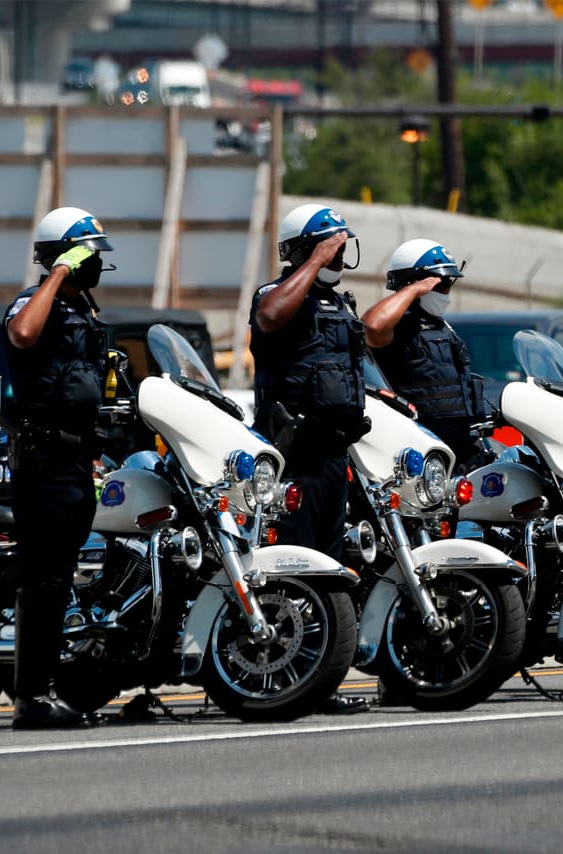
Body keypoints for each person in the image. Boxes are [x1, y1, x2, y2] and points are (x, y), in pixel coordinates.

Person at [249, 202, 371, 715]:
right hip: (292, 456)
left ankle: (321, 682)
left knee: (329, 572)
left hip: (333, 454)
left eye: (340, 248)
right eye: (331, 246)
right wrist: (312, 262)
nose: (339, 255)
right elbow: (271, 317)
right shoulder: (276, 294)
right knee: (293, 569)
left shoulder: (338, 304)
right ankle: (286, 676)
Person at [3, 206, 113, 729]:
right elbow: (22, 335)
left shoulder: (85, 315)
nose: (94, 264)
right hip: (43, 461)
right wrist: (59, 274)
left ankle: (64, 685)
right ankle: (32, 698)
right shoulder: (35, 303)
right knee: (44, 579)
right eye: (85, 254)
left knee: (65, 576)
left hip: (75, 461)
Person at [362, 238, 489, 469]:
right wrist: (414, 289)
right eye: (438, 285)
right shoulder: (398, 327)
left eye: (448, 284)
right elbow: (371, 327)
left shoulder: (444, 328)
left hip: (464, 447)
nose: (445, 292)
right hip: (423, 449)